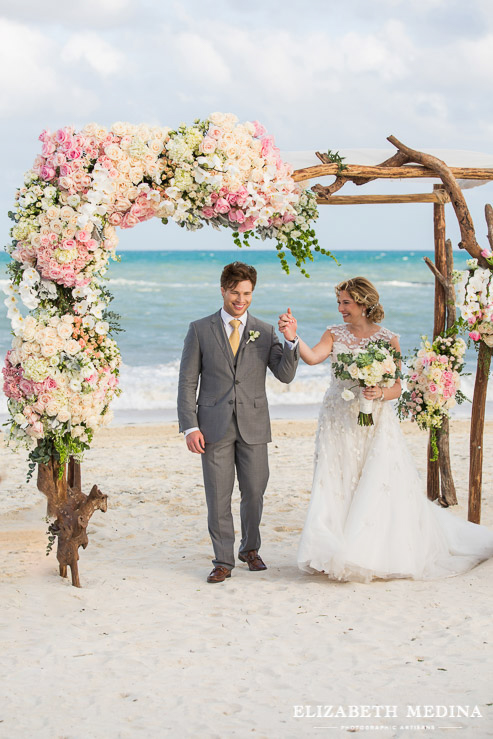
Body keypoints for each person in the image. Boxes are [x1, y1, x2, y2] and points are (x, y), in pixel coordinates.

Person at [278, 276, 493, 582]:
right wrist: (292, 335)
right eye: (339, 302)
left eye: (346, 302)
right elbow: (312, 358)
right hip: (338, 417)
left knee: (374, 479)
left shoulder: (388, 338)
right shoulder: (333, 333)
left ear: (364, 303)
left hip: (374, 421)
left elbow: (396, 387)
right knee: (335, 478)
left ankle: (366, 552)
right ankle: (330, 549)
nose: (341, 308)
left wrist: (379, 393)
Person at [178, 262, 299, 583]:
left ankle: (250, 549)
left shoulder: (265, 331)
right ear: (222, 290)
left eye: (246, 293)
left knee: (254, 492)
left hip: (254, 424)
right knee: (217, 494)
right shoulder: (199, 329)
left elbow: (285, 375)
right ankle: (223, 560)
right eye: (235, 293)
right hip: (212, 425)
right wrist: (190, 426)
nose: (240, 299)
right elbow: (187, 382)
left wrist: (290, 340)